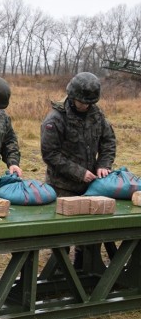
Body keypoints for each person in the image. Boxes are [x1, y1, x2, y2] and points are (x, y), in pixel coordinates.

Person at [40, 72, 116, 267]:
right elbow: (50, 154)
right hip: (63, 187)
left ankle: (84, 269)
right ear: (72, 97)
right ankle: (59, 274)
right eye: (82, 102)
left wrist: (103, 166)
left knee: (90, 234)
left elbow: (108, 142)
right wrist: (79, 172)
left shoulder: (96, 115)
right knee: (62, 236)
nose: (85, 106)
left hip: (92, 186)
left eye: (89, 102)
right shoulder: (56, 118)